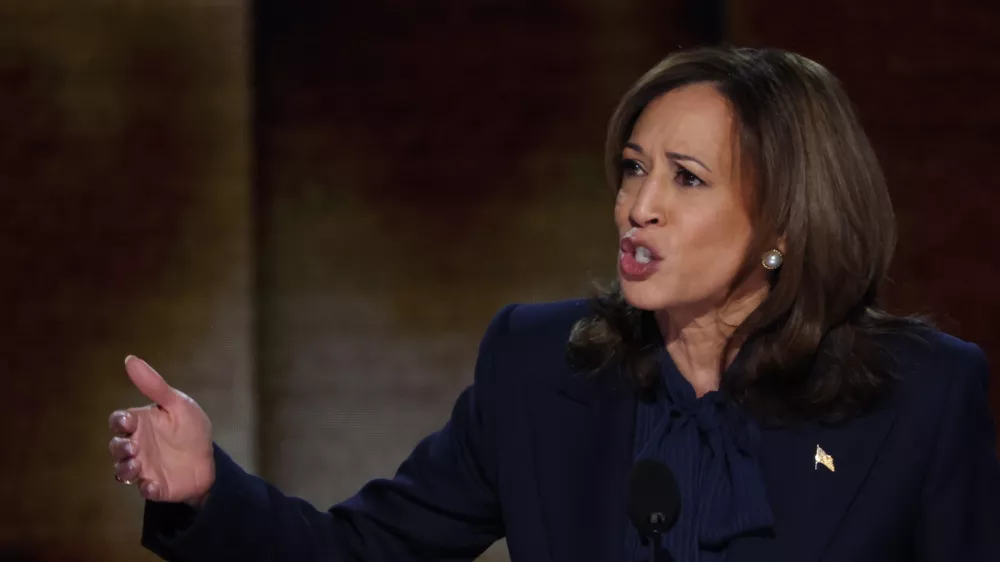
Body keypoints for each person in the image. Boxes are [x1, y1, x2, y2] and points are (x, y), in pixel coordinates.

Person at [107, 46, 1000, 562]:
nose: (638, 205)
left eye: (685, 179)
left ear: (783, 225)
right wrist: (208, 491)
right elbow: (361, 554)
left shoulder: (919, 396)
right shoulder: (541, 366)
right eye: (633, 168)